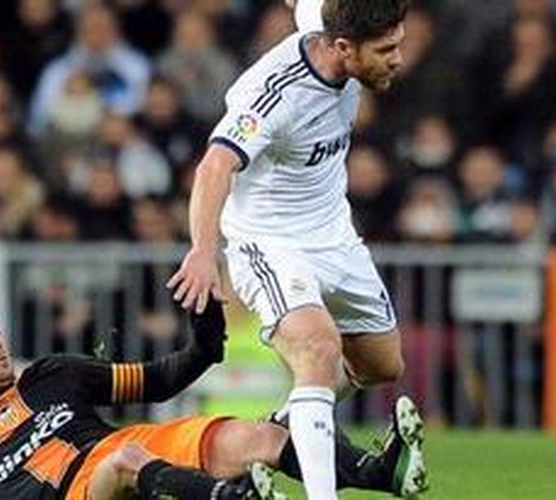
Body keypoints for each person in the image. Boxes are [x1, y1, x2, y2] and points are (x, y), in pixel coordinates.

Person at [166, 1, 427, 498]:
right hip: (270, 243)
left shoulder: (328, 18)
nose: (399, 58)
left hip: (334, 236)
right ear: (345, 48)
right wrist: (203, 251)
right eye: (388, 49)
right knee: (318, 348)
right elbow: (214, 167)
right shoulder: (272, 96)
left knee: (381, 366)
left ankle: (279, 427)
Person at [0, 294, 421, 499]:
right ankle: (229, 497)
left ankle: (380, 472)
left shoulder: (52, 375)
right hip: (83, 489)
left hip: (129, 451)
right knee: (124, 458)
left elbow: (159, 380)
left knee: (259, 436)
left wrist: (205, 343)